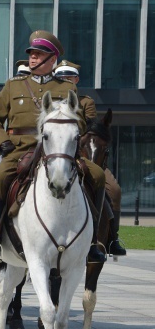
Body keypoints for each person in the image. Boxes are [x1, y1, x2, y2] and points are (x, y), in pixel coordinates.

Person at [0, 30, 108, 266]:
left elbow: (78, 122)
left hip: (57, 150)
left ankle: (93, 242)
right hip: (19, 148)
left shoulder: (66, 89)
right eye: (31, 54)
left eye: (38, 54)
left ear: (52, 60)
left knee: (98, 176)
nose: (32, 58)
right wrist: (1, 143)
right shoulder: (13, 86)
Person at [54, 60, 127, 256]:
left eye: (69, 78)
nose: (65, 81)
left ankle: (112, 237)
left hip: (82, 154)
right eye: (61, 78)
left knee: (115, 190)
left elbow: (91, 129)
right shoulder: (49, 100)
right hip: (56, 153)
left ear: (76, 79)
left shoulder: (86, 102)